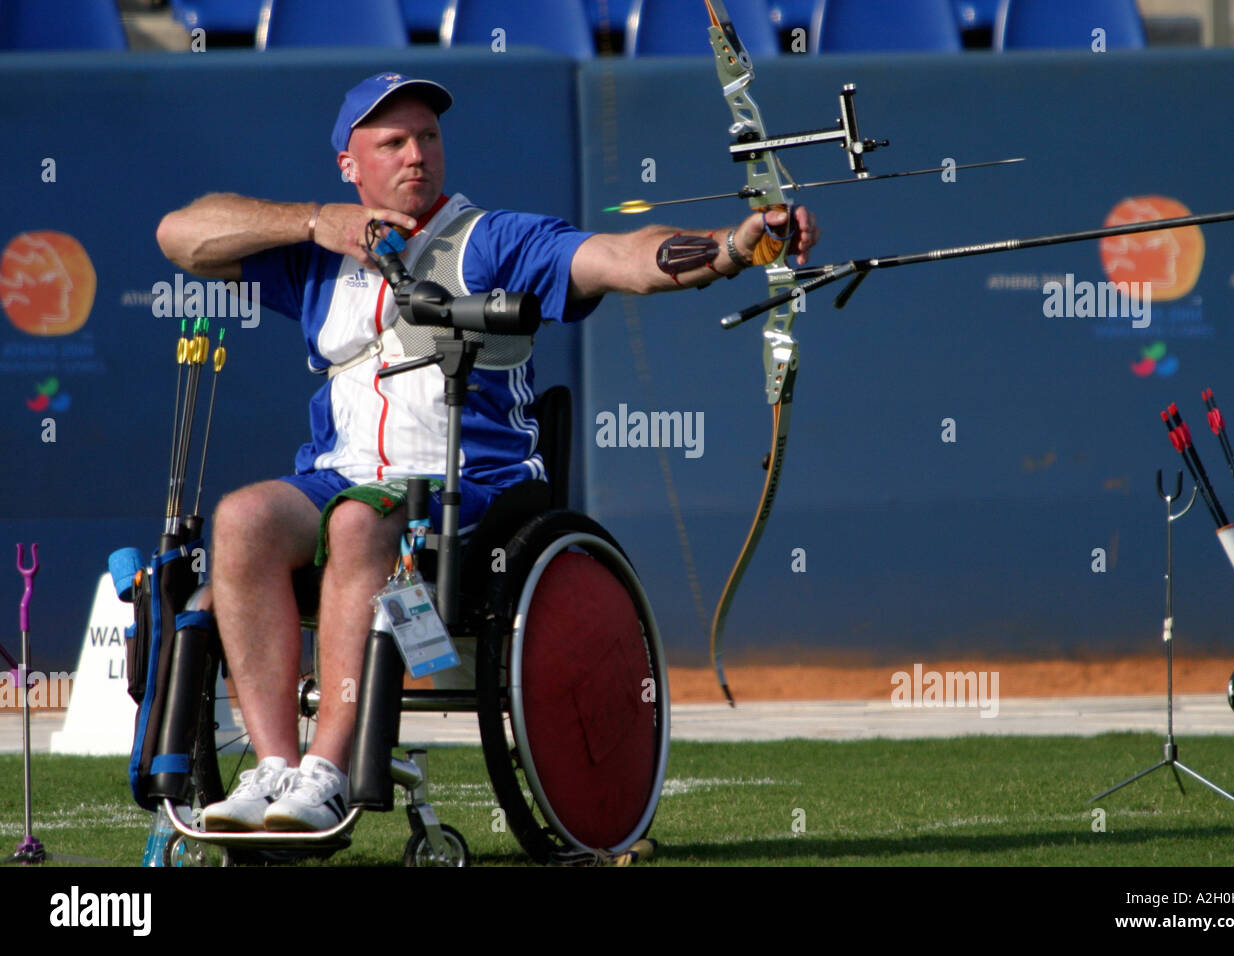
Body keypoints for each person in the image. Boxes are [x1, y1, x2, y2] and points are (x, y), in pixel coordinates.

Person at [155, 72, 819, 832]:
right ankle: (274, 772)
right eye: (393, 142)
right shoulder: (318, 254)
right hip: (337, 479)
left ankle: (327, 775)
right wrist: (316, 221)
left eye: (428, 138)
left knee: (356, 524)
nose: (417, 156)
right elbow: (182, 235)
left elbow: (623, 259)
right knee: (242, 518)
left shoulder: (492, 240)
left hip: (467, 492)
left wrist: (734, 247)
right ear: (350, 163)